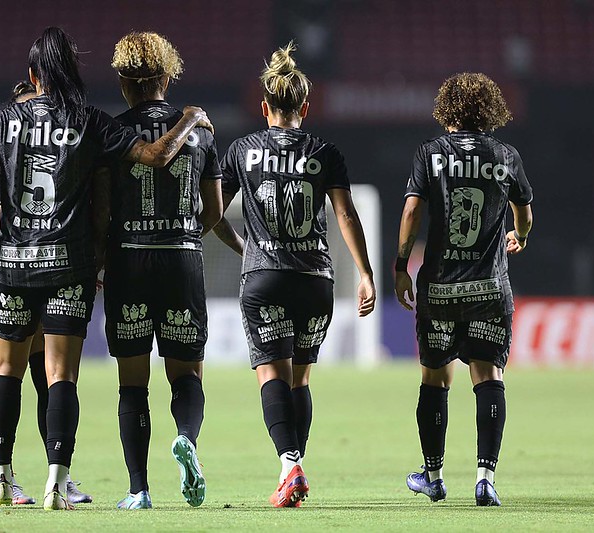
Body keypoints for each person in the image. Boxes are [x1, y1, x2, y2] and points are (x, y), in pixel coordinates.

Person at [0, 27, 213, 511]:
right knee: (60, 376)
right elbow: (154, 157)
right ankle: (56, 483)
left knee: (5, 371)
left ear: (31, 75)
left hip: (11, 264)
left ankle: (1, 477)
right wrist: (190, 117)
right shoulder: (89, 121)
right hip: (70, 265)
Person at [214, 42, 376, 508]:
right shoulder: (326, 153)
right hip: (316, 281)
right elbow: (346, 215)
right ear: (305, 107)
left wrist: (239, 244)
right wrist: (364, 273)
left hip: (264, 277)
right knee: (300, 380)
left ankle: (289, 466)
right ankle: (293, 469)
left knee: (271, 375)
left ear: (264, 106)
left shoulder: (242, 151)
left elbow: (210, 214)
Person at [96, 31, 223, 511]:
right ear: (168, 76)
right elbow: (213, 212)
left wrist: (101, 259)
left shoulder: (112, 129)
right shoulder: (202, 130)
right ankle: (186, 438)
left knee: (132, 382)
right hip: (181, 256)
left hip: (129, 257)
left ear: (124, 84)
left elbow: (102, 209)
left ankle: (138, 490)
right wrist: (184, 229)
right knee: (187, 374)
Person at [394, 72, 533, 507]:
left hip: (440, 290)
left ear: (447, 110)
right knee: (489, 376)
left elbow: (413, 209)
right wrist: (520, 236)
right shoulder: (506, 155)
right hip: (490, 289)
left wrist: (401, 265)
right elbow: (524, 212)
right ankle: (485, 478)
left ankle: (433, 476)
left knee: (435, 380)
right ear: (490, 110)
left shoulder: (430, 154)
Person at [0, 80, 93, 507]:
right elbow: (0, 221)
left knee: (42, 375)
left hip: (28, 268)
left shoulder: (41, 152)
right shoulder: (5, 154)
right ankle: (4, 475)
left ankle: (58, 473)